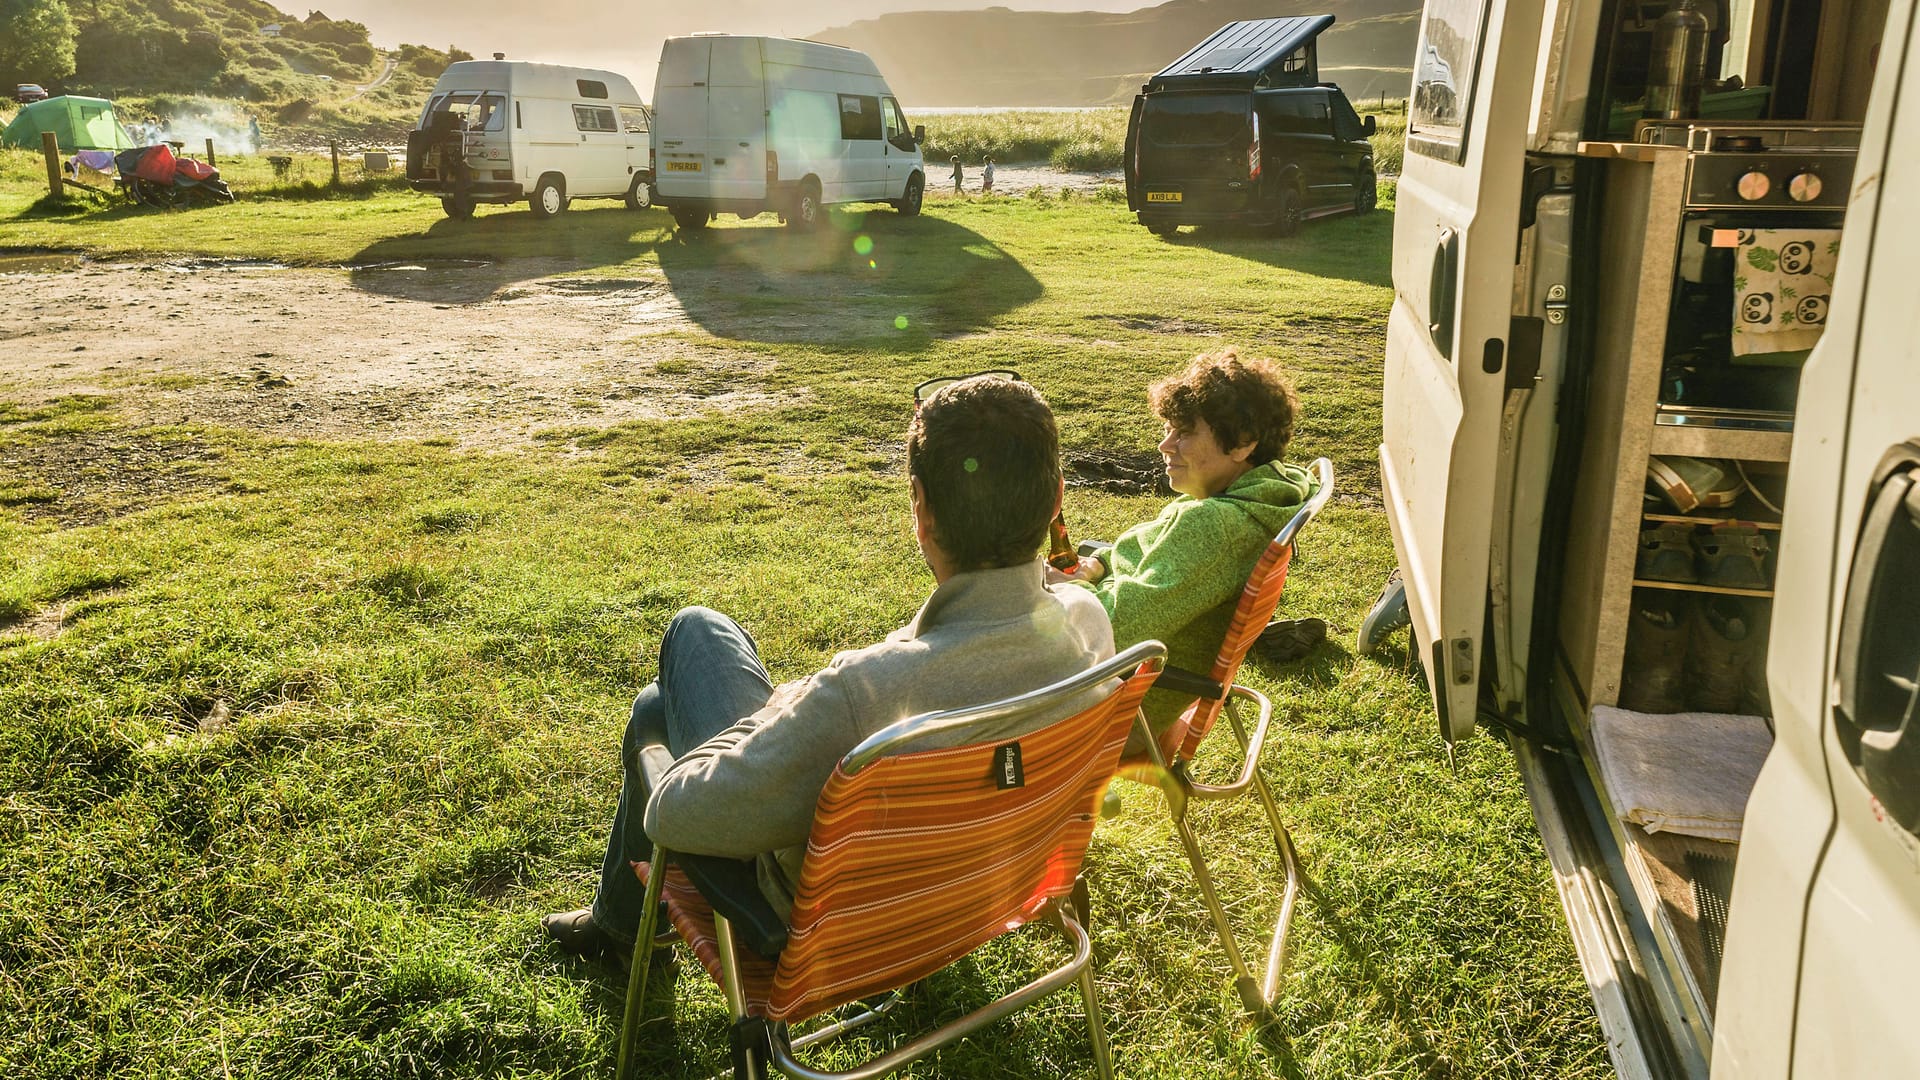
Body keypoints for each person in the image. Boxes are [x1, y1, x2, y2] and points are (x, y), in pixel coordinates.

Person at [544, 376, 1116, 958]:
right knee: (667, 698)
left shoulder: (865, 693)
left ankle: (618, 931)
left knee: (685, 654)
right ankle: (616, 925)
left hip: (837, 927)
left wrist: (788, 705)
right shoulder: (1089, 624)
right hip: (985, 885)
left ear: (919, 506)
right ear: (1055, 501)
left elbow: (673, 814)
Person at [1049, 349, 1319, 738]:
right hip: (1130, 687)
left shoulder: (1212, 526)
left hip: (1116, 711)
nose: (1165, 445)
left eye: (1185, 432)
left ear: (1243, 443)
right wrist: (1101, 564)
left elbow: (1113, 629)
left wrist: (1067, 587)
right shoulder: (1256, 494)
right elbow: (1149, 559)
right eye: (1168, 429)